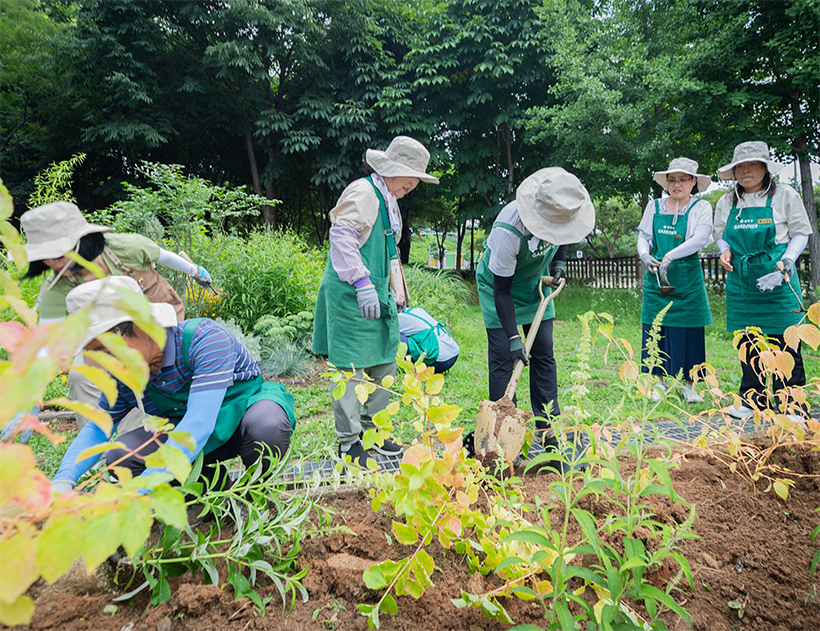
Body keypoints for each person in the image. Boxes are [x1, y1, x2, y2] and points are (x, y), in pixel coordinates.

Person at [50, 276, 296, 494]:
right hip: (190, 442)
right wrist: (63, 478)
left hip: (242, 423)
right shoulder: (124, 376)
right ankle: (212, 492)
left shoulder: (205, 340)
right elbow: (97, 428)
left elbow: (198, 424)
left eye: (105, 351)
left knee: (267, 425)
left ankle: (257, 494)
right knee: (122, 455)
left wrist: (143, 486)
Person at [21, 201, 212, 428]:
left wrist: (194, 270)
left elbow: (164, 257)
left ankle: (150, 431)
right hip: (107, 336)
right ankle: (98, 442)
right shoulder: (57, 285)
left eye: (57, 255)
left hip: (156, 323)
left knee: (148, 372)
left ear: (81, 242)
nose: (52, 263)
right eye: (45, 257)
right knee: (81, 376)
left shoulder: (126, 247)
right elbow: (46, 337)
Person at [312, 136, 439, 466]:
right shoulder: (364, 192)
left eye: (417, 179)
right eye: (410, 177)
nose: (413, 184)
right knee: (351, 369)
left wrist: (395, 290)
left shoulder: (388, 199)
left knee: (385, 360)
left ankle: (375, 431)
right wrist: (362, 281)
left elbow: (388, 249)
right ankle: (349, 442)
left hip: (379, 291)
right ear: (391, 169)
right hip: (351, 292)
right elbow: (342, 236)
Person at [476, 167, 595, 451]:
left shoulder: (564, 211)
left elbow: (564, 236)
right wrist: (513, 338)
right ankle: (504, 438)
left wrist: (559, 263)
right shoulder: (508, 230)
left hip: (536, 285)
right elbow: (501, 291)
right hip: (498, 289)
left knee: (543, 352)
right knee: (504, 357)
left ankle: (547, 428)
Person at [714, 141, 813, 421]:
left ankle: (792, 404)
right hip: (743, 280)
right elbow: (720, 234)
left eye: (753, 165)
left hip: (779, 276)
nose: (746, 171)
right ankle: (752, 400)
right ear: (734, 172)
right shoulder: (727, 202)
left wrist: (789, 260)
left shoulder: (785, 195)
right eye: (740, 167)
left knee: (787, 341)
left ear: (765, 168)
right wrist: (724, 250)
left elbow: (800, 233)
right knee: (749, 343)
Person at [637, 158, 713, 403]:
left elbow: (700, 238)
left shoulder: (701, 207)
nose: (676, 184)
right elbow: (643, 236)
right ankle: (657, 382)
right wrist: (645, 255)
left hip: (687, 280)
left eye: (682, 180)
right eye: (672, 180)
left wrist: (671, 255)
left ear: (693, 182)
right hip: (656, 278)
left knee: (690, 332)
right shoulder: (654, 206)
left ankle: (688, 384)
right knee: (654, 330)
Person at [398, 306, 460, 373]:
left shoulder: (396, 317)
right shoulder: (416, 310)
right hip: (454, 354)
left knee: (392, 336)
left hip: (439, 361)